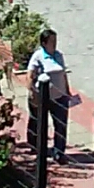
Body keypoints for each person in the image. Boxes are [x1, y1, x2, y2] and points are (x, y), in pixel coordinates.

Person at [25, 28, 74, 161]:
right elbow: (29, 76)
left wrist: (67, 91)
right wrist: (32, 93)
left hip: (60, 97)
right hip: (42, 97)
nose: (55, 44)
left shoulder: (59, 55)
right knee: (38, 122)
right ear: (44, 43)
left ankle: (59, 152)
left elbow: (63, 74)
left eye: (55, 41)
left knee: (61, 125)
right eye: (52, 41)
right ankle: (36, 147)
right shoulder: (38, 56)